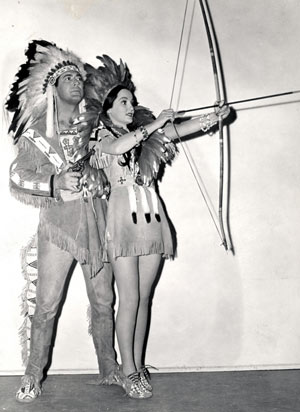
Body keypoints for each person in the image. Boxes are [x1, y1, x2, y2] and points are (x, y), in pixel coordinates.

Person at [80, 55, 231, 399]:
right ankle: (128, 371)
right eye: (124, 102)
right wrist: (151, 125)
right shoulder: (100, 135)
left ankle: (138, 363)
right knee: (129, 298)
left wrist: (211, 119)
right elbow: (119, 147)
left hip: (151, 217)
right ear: (108, 108)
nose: (131, 106)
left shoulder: (142, 133)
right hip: (122, 220)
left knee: (144, 298)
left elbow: (174, 131)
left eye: (133, 101)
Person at [6, 41, 121, 403]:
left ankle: (109, 367)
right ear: (52, 88)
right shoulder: (39, 130)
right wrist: (54, 183)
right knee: (46, 304)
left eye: (78, 77)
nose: (74, 81)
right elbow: (17, 175)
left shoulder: (97, 126)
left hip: (97, 220)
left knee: (104, 299)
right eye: (66, 77)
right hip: (57, 226)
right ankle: (32, 373)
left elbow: (132, 140)